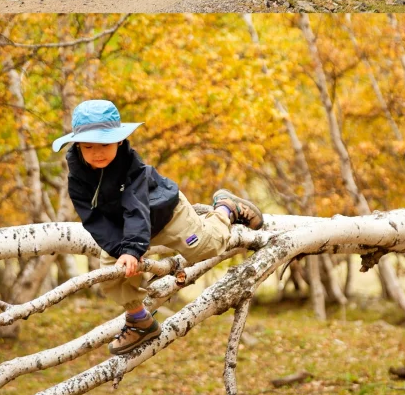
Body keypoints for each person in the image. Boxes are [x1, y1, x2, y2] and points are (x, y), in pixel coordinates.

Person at [53, 98, 263, 352]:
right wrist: (122, 251)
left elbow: (136, 207)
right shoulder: (77, 179)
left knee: (206, 247)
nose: (97, 153)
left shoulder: (132, 167)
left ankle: (226, 208)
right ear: (77, 145)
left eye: (105, 144)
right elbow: (94, 219)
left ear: (119, 140)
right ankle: (140, 321)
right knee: (111, 274)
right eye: (88, 146)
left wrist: (133, 249)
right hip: (127, 227)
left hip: (166, 213)